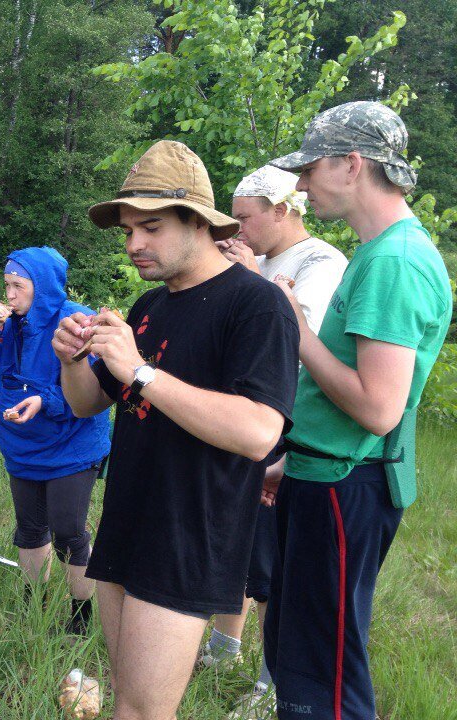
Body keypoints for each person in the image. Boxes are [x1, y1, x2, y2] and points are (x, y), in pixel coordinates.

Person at [53, 140, 300, 720]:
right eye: (128, 230)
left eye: (152, 227)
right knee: (128, 699)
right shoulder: (150, 306)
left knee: (142, 712)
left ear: (199, 222)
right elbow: (89, 403)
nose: (135, 244)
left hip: (191, 536)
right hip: (128, 521)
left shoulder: (257, 306)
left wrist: (140, 370)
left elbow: (259, 430)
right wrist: (72, 361)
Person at [262, 101, 452, 720]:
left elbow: (378, 406)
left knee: (325, 677)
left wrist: (296, 331)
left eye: (310, 167)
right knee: (298, 655)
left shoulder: (394, 263)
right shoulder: (377, 253)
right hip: (322, 476)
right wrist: (293, 460)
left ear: (351, 164)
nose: (300, 184)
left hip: (347, 491)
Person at [203, 165, 348, 718]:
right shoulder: (259, 261)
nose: (237, 229)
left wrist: (250, 278)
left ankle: (271, 683)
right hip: (242, 418)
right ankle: (226, 647)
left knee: (272, 565)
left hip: (287, 430)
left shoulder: (321, 262)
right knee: (238, 543)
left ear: (284, 209)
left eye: (244, 217)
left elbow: (295, 338)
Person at [0, 247, 110, 635]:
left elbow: (96, 389)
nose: (9, 295)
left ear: (42, 286)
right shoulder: (8, 323)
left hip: (71, 445)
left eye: (18, 286)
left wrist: (45, 399)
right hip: (21, 443)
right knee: (29, 528)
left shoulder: (74, 320)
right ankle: (35, 603)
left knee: (68, 531)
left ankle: (81, 614)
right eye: (6, 285)